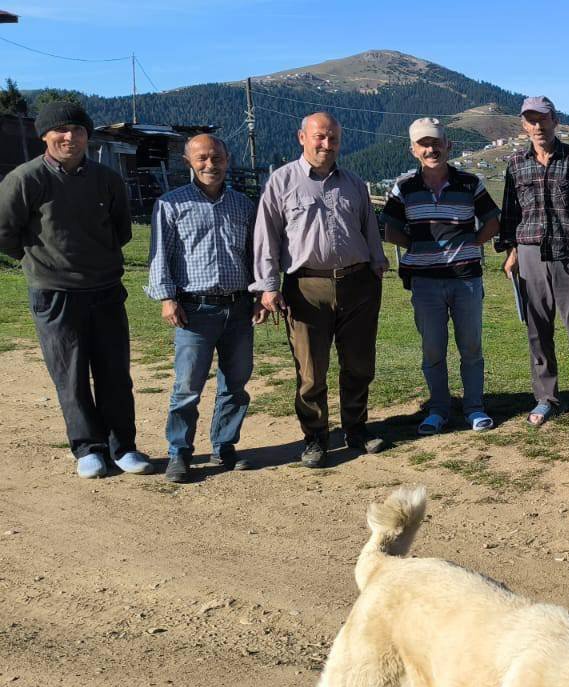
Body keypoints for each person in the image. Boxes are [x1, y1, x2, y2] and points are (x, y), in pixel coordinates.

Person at [0, 101, 153, 478]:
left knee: (115, 373)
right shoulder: (25, 179)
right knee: (70, 374)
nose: (70, 137)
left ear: (87, 136)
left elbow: (121, 230)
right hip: (54, 294)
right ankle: (88, 448)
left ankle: (123, 447)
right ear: (45, 136)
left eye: (79, 130)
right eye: (61, 130)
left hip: (105, 289)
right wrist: (41, 262)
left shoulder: (107, 179)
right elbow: (5, 233)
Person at [253, 112, 390, 469]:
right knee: (311, 371)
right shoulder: (281, 182)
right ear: (302, 137)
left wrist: (377, 263)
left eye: (333, 138)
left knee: (359, 363)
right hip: (306, 287)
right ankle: (315, 437)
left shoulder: (354, 183)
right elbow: (266, 238)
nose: (327, 145)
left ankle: (356, 428)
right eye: (320, 137)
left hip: (358, 283)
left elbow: (369, 228)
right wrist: (268, 286)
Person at [145, 134, 257, 482]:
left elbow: (254, 254)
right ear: (188, 162)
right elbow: (159, 256)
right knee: (187, 388)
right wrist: (167, 298)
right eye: (202, 158)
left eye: (217, 158)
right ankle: (179, 452)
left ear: (227, 159)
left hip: (238, 308)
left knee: (236, 384)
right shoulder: (171, 204)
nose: (211, 165)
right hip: (194, 310)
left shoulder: (243, 205)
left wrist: (260, 294)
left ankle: (225, 445)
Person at [383, 118, 500, 436]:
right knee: (433, 349)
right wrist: (418, 247)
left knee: (471, 346)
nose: (431, 149)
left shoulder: (470, 183)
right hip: (425, 283)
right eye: (423, 144)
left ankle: (474, 408)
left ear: (449, 145)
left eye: (436, 142)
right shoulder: (404, 187)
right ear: (413, 150)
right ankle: (438, 410)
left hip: (466, 279)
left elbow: (492, 222)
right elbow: (390, 229)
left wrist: (471, 244)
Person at [498, 96, 569, 427]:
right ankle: (546, 398)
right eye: (531, 120)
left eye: (543, 119)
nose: (538, 126)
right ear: (523, 126)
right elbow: (510, 213)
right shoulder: (515, 163)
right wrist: (511, 251)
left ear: (554, 121)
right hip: (530, 253)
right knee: (537, 332)